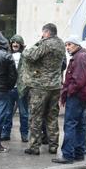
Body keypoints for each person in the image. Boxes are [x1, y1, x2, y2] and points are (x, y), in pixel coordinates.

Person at [22, 23, 65, 155]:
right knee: (52, 117)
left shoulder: (46, 44)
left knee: (36, 117)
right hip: (55, 86)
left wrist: (26, 49)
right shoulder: (61, 44)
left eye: (43, 33)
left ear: (46, 32)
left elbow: (31, 55)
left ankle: (34, 147)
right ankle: (53, 146)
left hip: (41, 86)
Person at [52, 35, 86, 164]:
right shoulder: (81, 56)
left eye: (69, 44)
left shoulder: (80, 57)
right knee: (80, 125)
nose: (67, 47)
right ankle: (78, 153)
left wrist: (68, 92)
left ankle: (68, 155)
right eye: (66, 45)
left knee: (70, 125)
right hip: (81, 96)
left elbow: (78, 80)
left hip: (76, 96)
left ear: (76, 45)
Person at [1, 34, 29, 142]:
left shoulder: (25, 56)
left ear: (21, 44)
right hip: (9, 88)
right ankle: (5, 133)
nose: (15, 44)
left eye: (17, 42)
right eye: (14, 42)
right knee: (7, 113)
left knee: (24, 113)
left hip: (21, 89)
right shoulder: (6, 55)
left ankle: (24, 134)